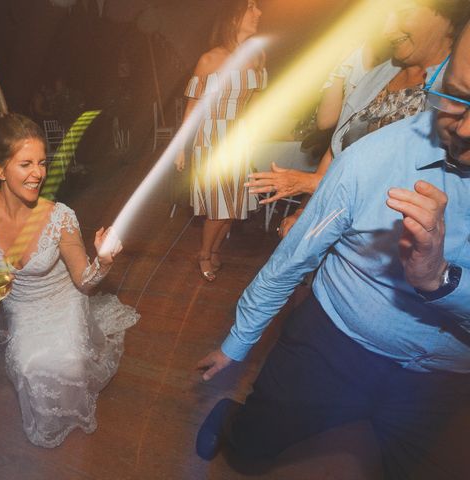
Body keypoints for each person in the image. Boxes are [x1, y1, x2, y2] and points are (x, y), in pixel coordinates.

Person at [195, 19, 470, 479]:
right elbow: (292, 259)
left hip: (443, 377)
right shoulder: (370, 159)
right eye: (458, 96)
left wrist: (440, 280)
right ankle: (235, 419)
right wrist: (237, 342)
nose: (463, 130)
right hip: (333, 342)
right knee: (250, 448)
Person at [0, 113, 139, 447]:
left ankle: (74, 413)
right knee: (28, 365)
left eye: (42, 162)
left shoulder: (60, 216)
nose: (38, 173)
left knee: (68, 362)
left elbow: (85, 281)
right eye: (26, 164)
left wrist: (105, 260)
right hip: (22, 307)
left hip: (64, 299)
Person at [246, 0, 470, 237]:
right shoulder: (379, 74)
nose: (386, 30)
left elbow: (421, 188)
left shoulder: (452, 91)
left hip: (383, 249)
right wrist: (303, 210)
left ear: (446, 14)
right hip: (332, 230)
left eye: (402, 13)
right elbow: (336, 150)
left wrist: (310, 183)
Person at [174, 0, 267, 281]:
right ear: (233, 16)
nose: (258, 12)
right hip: (210, 140)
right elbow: (191, 107)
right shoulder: (210, 59)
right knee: (218, 207)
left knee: (234, 206)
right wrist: (181, 148)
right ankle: (204, 253)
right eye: (251, 7)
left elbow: (254, 103)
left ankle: (215, 251)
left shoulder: (258, 56)